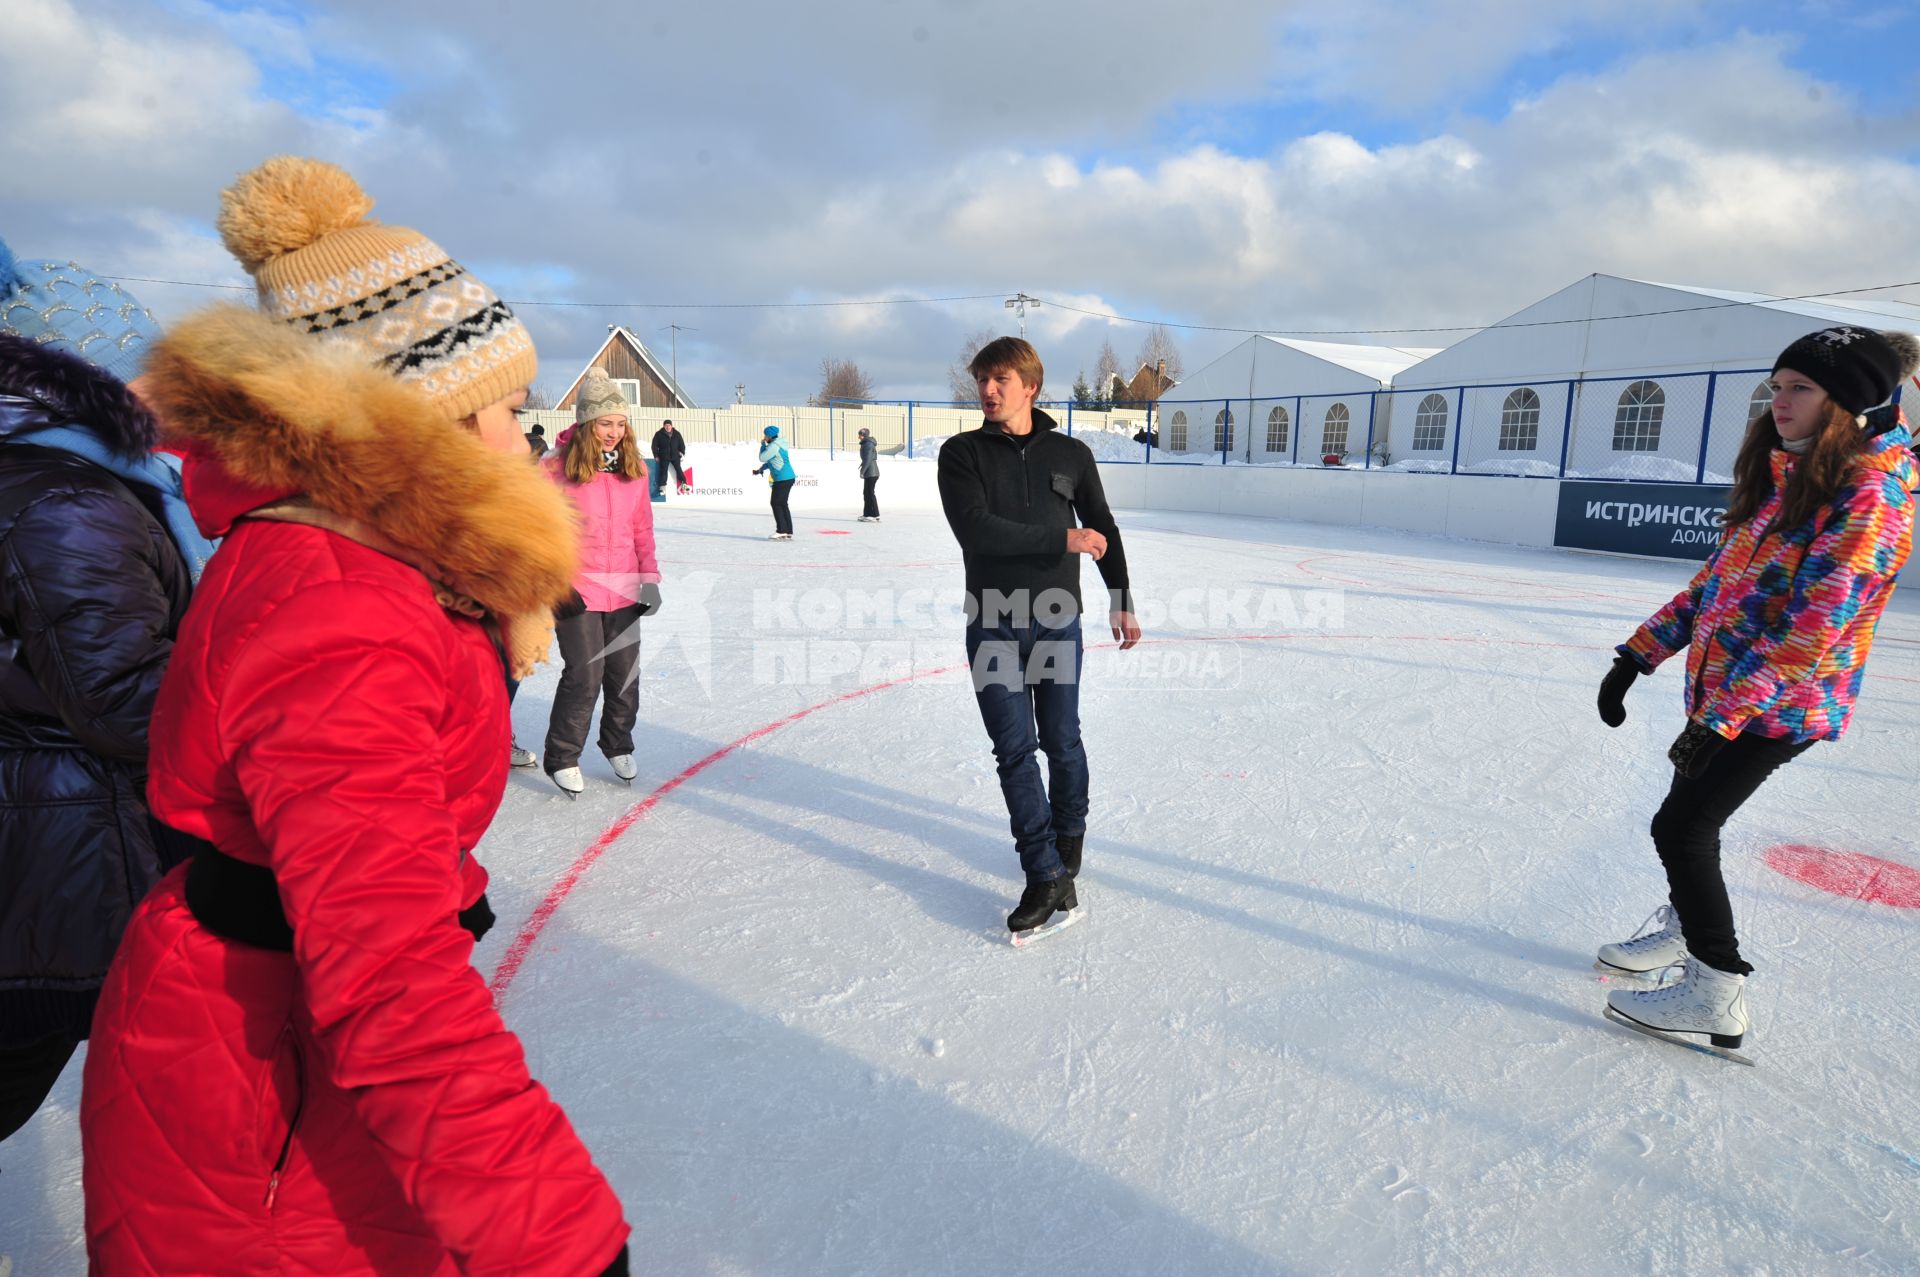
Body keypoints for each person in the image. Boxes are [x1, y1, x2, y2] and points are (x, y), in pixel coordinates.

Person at [79, 157, 630, 1275]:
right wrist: (557, 1241)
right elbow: (386, 971)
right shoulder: (343, 609)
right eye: (506, 409)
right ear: (412, 423)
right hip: (260, 1111)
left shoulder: (363, 569)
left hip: (274, 1072)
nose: (525, 443)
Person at [1595, 325, 1918, 1053]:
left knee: (1681, 827)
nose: (1780, 399)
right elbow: (1716, 586)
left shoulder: (1869, 496)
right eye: (1776, 385)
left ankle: (1716, 986)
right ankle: (1685, 932)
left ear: (1850, 403)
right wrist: (1637, 654)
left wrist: (1724, 718)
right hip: (1727, 697)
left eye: (1800, 387)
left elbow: (1814, 632)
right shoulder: (1790, 476)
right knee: (1683, 820)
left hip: (1779, 707)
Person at [0, 243, 211, 1142]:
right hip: (64, 843)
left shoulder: (61, 476)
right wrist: (270, 692)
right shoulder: (69, 501)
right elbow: (123, 696)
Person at [936, 336, 1141, 936]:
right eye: (982, 380)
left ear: (1031, 385)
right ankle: (1044, 870)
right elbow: (976, 531)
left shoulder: (1072, 455)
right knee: (1012, 749)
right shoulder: (962, 453)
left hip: (1056, 616)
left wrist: (1121, 598)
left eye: (1001, 379)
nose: (989, 390)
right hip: (991, 620)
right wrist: (1063, 539)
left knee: (1061, 739)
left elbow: (1102, 526)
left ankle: (1068, 835)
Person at [543, 369, 662, 796]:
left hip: (625, 587)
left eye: (620, 423)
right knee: (585, 674)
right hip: (575, 589)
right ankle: (562, 755)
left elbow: (642, 531)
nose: (613, 432)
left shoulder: (633, 470)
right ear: (585, 422)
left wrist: (648, 580)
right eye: (604, 422)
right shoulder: (554, 470)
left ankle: (617, 743)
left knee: (624, 673)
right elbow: (535, 531)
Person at [753, 423, 796, 539]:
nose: (764, 437)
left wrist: (762, 445)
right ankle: (788, 531)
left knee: (776, 503)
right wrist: (761, 469)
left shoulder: (774, 446)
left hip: (783, 478)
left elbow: (762, 457)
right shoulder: (776, 444)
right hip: (786, 477)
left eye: (766, 435)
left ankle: (781, 530)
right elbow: (771, 461)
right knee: (782, 504)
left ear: (770, 436)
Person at [651, 417, 687, 495]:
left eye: (669, 425)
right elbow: (654, 445)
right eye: (666, 425)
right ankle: (662, 488)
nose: (667, 427)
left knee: (678, 469)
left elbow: (681, 444)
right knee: (663, 472)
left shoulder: (677, 433)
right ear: (664, 426)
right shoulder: (659, 434)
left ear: (671, 426)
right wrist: (656, 455)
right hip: (664, 456)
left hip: (675, 456)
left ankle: (684, 483)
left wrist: (682, 453)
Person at [857, 425, 880, 521]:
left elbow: (868, 459)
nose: (859, 437)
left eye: (860, 435)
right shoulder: (867, 443)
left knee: (869, 493)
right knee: (867, 493)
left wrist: (862, 471)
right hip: (871, 472)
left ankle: (873, 515)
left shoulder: (867, 444)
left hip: (871, 472)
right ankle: (867, 514)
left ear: (864, 435)